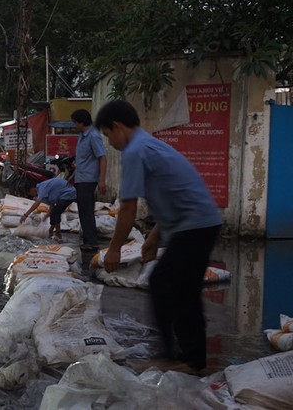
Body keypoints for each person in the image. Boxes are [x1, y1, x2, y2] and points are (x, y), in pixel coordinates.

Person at [94, 99, 223, 374]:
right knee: (184, 292)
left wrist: (114, 248)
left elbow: (128, 208)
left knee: (164, 284)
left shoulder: (134, 151)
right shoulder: (149, 145)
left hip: (195, 225)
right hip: (200, 223)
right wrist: (152, 239)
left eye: (108, 136)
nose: (111, 144)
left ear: (117, 127)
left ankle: (172, 358)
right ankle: (192, 360)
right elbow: (170, 196)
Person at [71, 109, 107, 252]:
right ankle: (88, 240)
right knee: (83, 211)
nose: (74, 125)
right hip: (81, 178)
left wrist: (102, 180)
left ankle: (92, 242)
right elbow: (82, 160)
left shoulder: (93, 136)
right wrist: (73, 175)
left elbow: (102, 157)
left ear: (81, 122)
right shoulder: (82, 136)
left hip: (88, 179)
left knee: (86, 211)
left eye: (75, 122)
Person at [19, 178, 77, 242]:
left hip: (69, 193)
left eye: (30, 193)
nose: (32, 195)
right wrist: (47, 215)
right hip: (64, 195)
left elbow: (37, 202)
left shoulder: (42, 188)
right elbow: (51, 206)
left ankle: (58, 234)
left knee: (56, 212)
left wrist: (25, 215)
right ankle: (51, 231)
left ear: (32, 189)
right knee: (53, 212)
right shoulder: (43, 191)